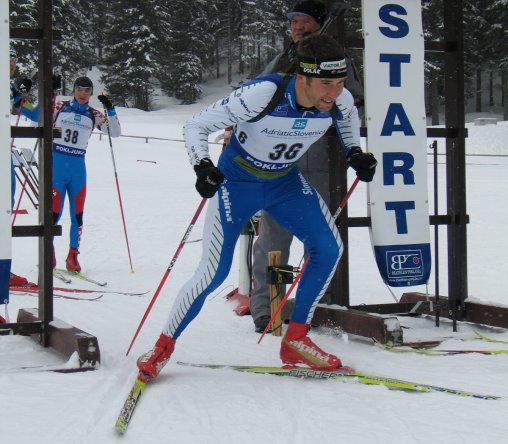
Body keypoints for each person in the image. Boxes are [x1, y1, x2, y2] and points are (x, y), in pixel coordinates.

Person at [136, 34, 377, 382]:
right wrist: (202, 165)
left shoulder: (339, 101)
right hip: (237, 183)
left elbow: (348, 124)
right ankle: (162, 347)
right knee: (213, 273)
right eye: (326, 84)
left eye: (340, 83)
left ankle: (296, 340)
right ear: (302, 77)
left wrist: (355, 153)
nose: (334, 92)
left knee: (328, 249)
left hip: (284, 183)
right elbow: (196, 124)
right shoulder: (264, 94)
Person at [249, 0, 364, 332]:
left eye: (305, 21)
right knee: (274, 237)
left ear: (320, 24)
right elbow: (256, 96)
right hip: (281, 161)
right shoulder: (282, 59)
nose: (298, 27)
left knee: (321, 237)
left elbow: (354, 103)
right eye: (294, 21)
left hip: (324, 161)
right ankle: (267, 306)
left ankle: (317, 304)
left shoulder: (338, 61)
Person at [50, 77, 121, 271]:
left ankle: (73, 255)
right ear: (74, 90)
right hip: (57, 166)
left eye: (87, 90)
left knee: (78, 215)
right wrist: (50, 94)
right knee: (54, 213)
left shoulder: (93, 114)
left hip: (77, 168)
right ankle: (49, 249)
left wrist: (110, 109)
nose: (83, 94)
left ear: (91, 93)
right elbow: (36, 116)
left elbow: (115, 132)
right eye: (79, 89)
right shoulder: (60, 106)